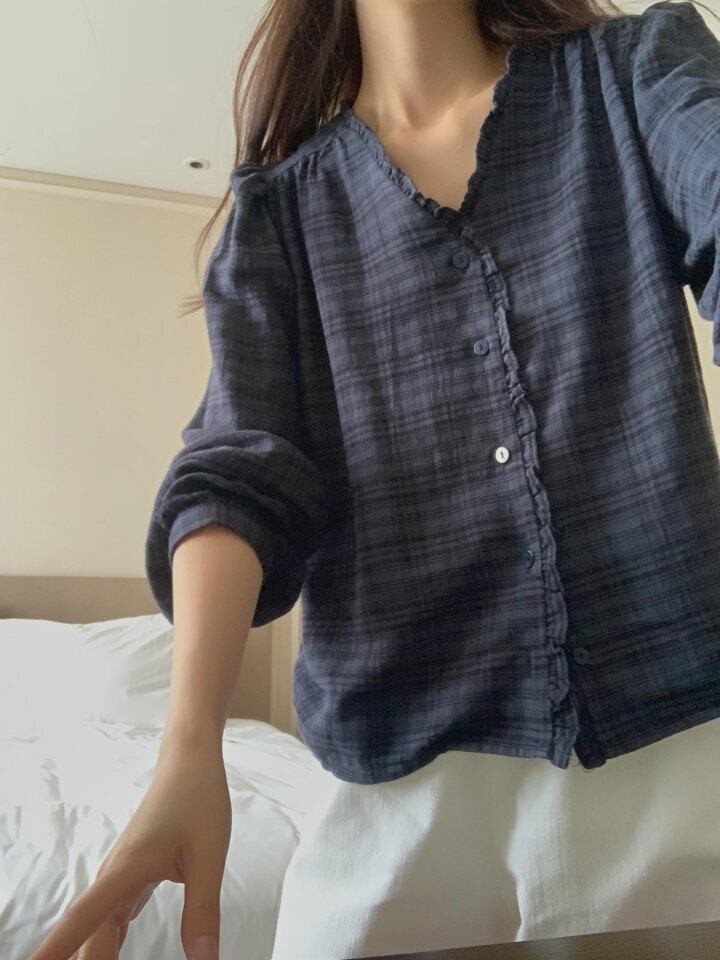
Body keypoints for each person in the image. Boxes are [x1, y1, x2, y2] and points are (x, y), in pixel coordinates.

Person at [30, 0, 720, 958]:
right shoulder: (282, 211)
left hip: (680, 799)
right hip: (392, 828)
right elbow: (238, 465)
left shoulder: (633, 74)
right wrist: (189, 746)